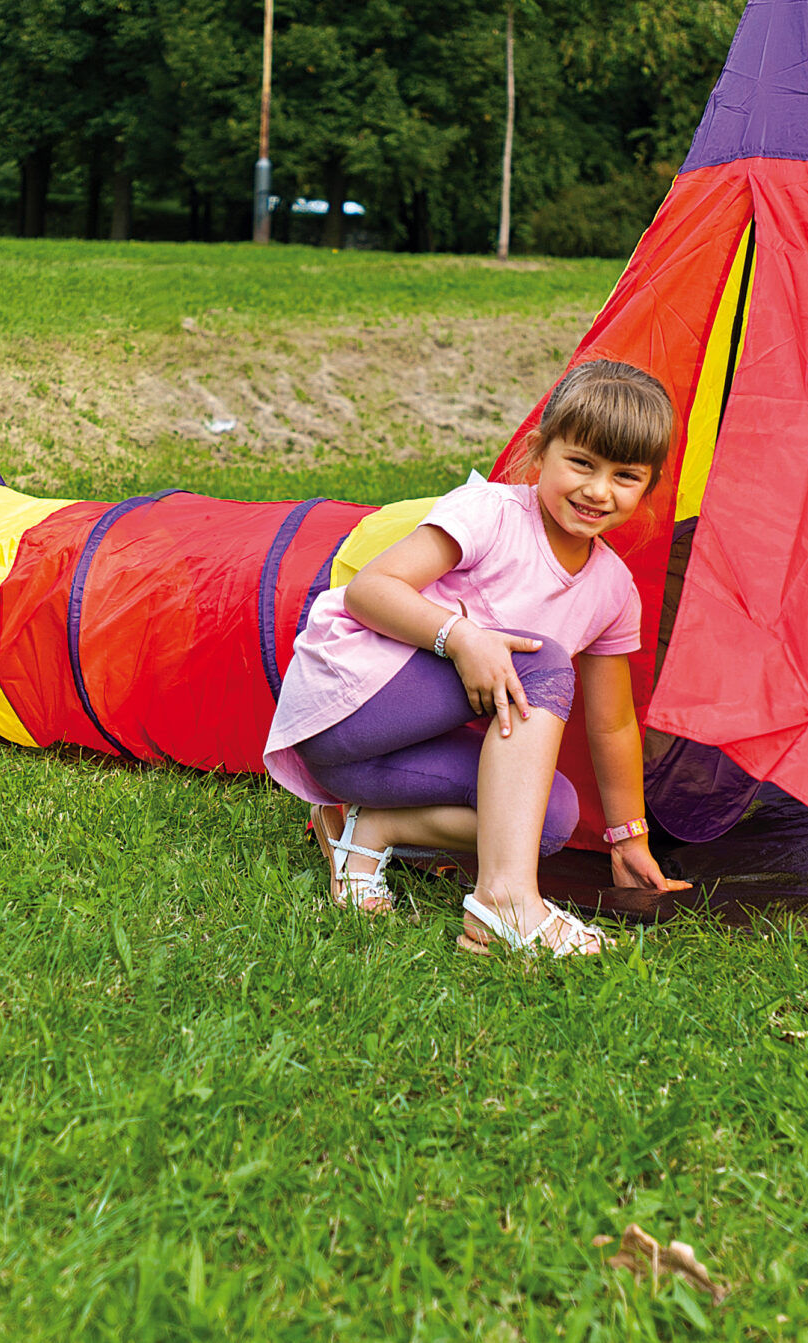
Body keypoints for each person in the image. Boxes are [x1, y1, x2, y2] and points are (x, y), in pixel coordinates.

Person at [262, 361, 690, 958]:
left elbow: (612, 724)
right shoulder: (491, 512)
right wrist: (461, 638)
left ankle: (369, 827)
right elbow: (369, 590)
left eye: (625, 476)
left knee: (548, 818)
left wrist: (627, 838)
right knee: (540, 660)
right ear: (540, 451)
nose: (599, 490)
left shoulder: (613, 591)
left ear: (649, 486)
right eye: (581, 463)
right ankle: (506, 904)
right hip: (345, 710)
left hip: (386, 771)